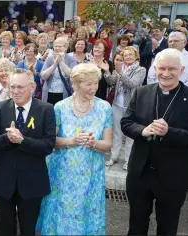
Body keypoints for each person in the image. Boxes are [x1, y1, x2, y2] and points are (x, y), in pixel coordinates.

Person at [120, 48, 188, 235]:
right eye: (162, 68)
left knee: (167, 227)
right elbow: (126, 123)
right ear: (155, 69)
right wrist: (142, 130)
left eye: (172, 69)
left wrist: (170, 132)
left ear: (181, 70)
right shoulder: (142, 92)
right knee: (136, 225)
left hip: (173, 176)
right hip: (140, 174)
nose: (166, 74)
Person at [36, 63, 113, 235]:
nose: (93, 88)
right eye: (88, 84)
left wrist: (94, 143)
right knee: (61, 214)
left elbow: (108, 144)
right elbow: (50, 141)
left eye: (95, 83)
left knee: (86, 213)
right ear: (76, 84)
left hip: (91, 173)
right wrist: (72, 140)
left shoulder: (104, 108)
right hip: (63, 173)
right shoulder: (60, 107)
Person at [0, 68, 56, 235]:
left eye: (20, 87)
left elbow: (48, 145)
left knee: (28, 229)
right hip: (4, 180)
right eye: (12, 87)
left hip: (32, 180)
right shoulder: (0, 108)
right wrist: (8, 138)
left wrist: (23, 141)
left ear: (32, 87)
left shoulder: (46, 109)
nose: (15, 92)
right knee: (5, 229)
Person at [105, 46, 146, 170]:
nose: (127, 57)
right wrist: (107, 71)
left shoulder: (140, 69)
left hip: (131, 106)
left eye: (130, 54)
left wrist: (121, 73)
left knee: (130, 135)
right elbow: (111, 82)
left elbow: (132, 83)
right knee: (116, 132)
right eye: (125, 55)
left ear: (136, 56)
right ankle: (114, 156)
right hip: (117, 104)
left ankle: (129, 160)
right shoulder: (120, 67)